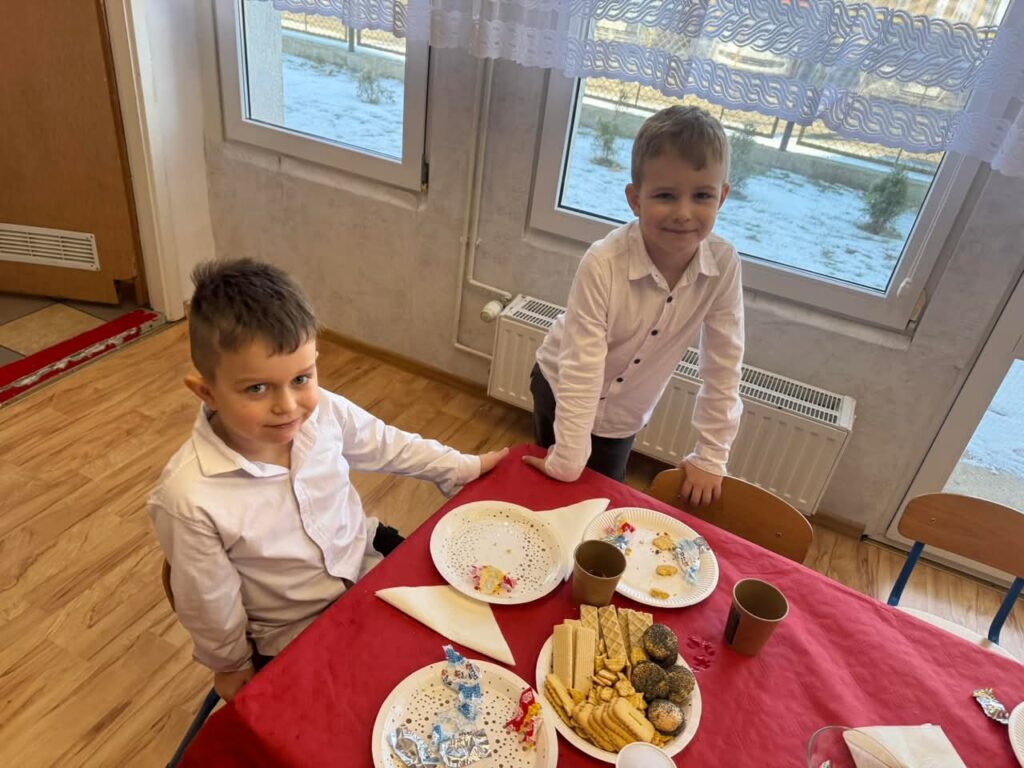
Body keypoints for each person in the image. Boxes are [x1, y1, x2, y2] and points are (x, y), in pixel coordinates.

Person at [148, 259, 507, 701]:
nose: (288, 406)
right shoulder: (188, 499)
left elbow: (387, 444)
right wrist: (231, 664)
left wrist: (462, 467)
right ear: (207, 392)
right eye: (257, 388)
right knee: (366, 707)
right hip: (293, 629)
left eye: (301, 378)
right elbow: (209, 602)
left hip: (367, 558)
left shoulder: (324, 412)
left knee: (470, 630)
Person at [526, 105, 744, 504]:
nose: (683, 213)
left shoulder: (724, 264)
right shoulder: (603, 262)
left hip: (624, 413)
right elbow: (582, 365)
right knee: (554, 489)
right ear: (635, 199)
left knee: (602, 500)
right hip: (561, 385)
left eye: (702, 196)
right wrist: (569, 458)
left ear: (722, 197)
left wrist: (712, 454)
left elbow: (724, 364)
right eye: (665, 195)